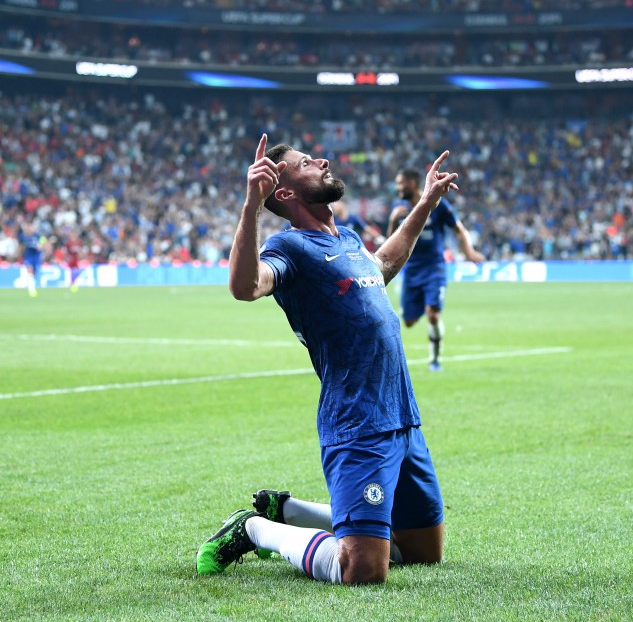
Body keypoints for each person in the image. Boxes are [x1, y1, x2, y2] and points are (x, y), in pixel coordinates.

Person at [196, 134, 461, 585]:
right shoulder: (290, 248)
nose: (320, 160)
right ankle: (255, 529)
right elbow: (246, 286)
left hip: (402, 415)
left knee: (422, 551)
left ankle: (289, 510)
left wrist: (425, 204)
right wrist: (251, 206)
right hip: (357, 422)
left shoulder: (349, 239)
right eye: (305, 163)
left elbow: (383, 266)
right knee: (362, 569)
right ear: (285, 193)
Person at [386, 168, 485, 371]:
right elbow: (391, 241)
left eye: (401, 183)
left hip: (434, 268)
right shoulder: (399, 208)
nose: (398, 188)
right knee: (409, 322)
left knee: (433, 314)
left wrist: (469, 251)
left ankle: (435, 360)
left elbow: (459, 229)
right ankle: (424, 304)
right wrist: (392, 221)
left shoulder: (438, 205)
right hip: (411, 269)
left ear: (413, 183)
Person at [18, 221, 46, 297]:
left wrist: (41, 246)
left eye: (31, 227)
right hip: (28, 256)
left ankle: (31, 285)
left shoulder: (38, 236)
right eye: (28, 227)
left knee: (35, 274)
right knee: (30, 270)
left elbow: (44, 241)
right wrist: (20, 253)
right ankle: (31, 290)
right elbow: (21, 246)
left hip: (36, 257)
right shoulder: (23, 237)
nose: (30, 229)